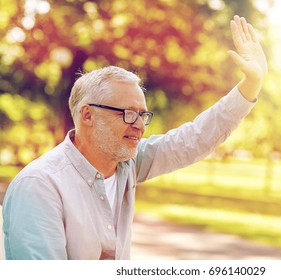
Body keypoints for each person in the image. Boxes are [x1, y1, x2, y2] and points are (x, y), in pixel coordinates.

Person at [2, 15, 267, 260]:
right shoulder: (39, 187)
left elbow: (193, 140)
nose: (140, 126)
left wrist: (249, 86)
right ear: (87, 115)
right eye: (128, 113)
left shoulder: (125, 163)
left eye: (143, 114)